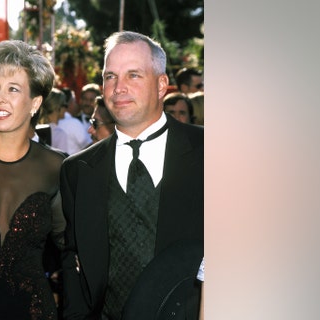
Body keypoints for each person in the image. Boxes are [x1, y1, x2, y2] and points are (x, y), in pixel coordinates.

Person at [60, 31, 204, 320]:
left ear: (162, 84)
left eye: (133, 75)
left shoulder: (211, 153)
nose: (118, 88)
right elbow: (71, 259)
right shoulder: (78, 170)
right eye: (110, 76)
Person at [0, 39, 66, 320]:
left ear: (35, 103)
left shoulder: (56, 166)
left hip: (33, 311)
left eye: (13, 89)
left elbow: (70, 247)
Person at [57, 87, 93, 154]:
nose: (76, 104)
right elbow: (90, 146)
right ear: (69, 103)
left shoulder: (54, 121)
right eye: (74, 101)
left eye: (91, 100)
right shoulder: (73, 123)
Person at [37, 88, 71, 154]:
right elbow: (62, 161)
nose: (66, 109)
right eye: (65, 105)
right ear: (58, 107)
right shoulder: (60, 134)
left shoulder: (35, 129)